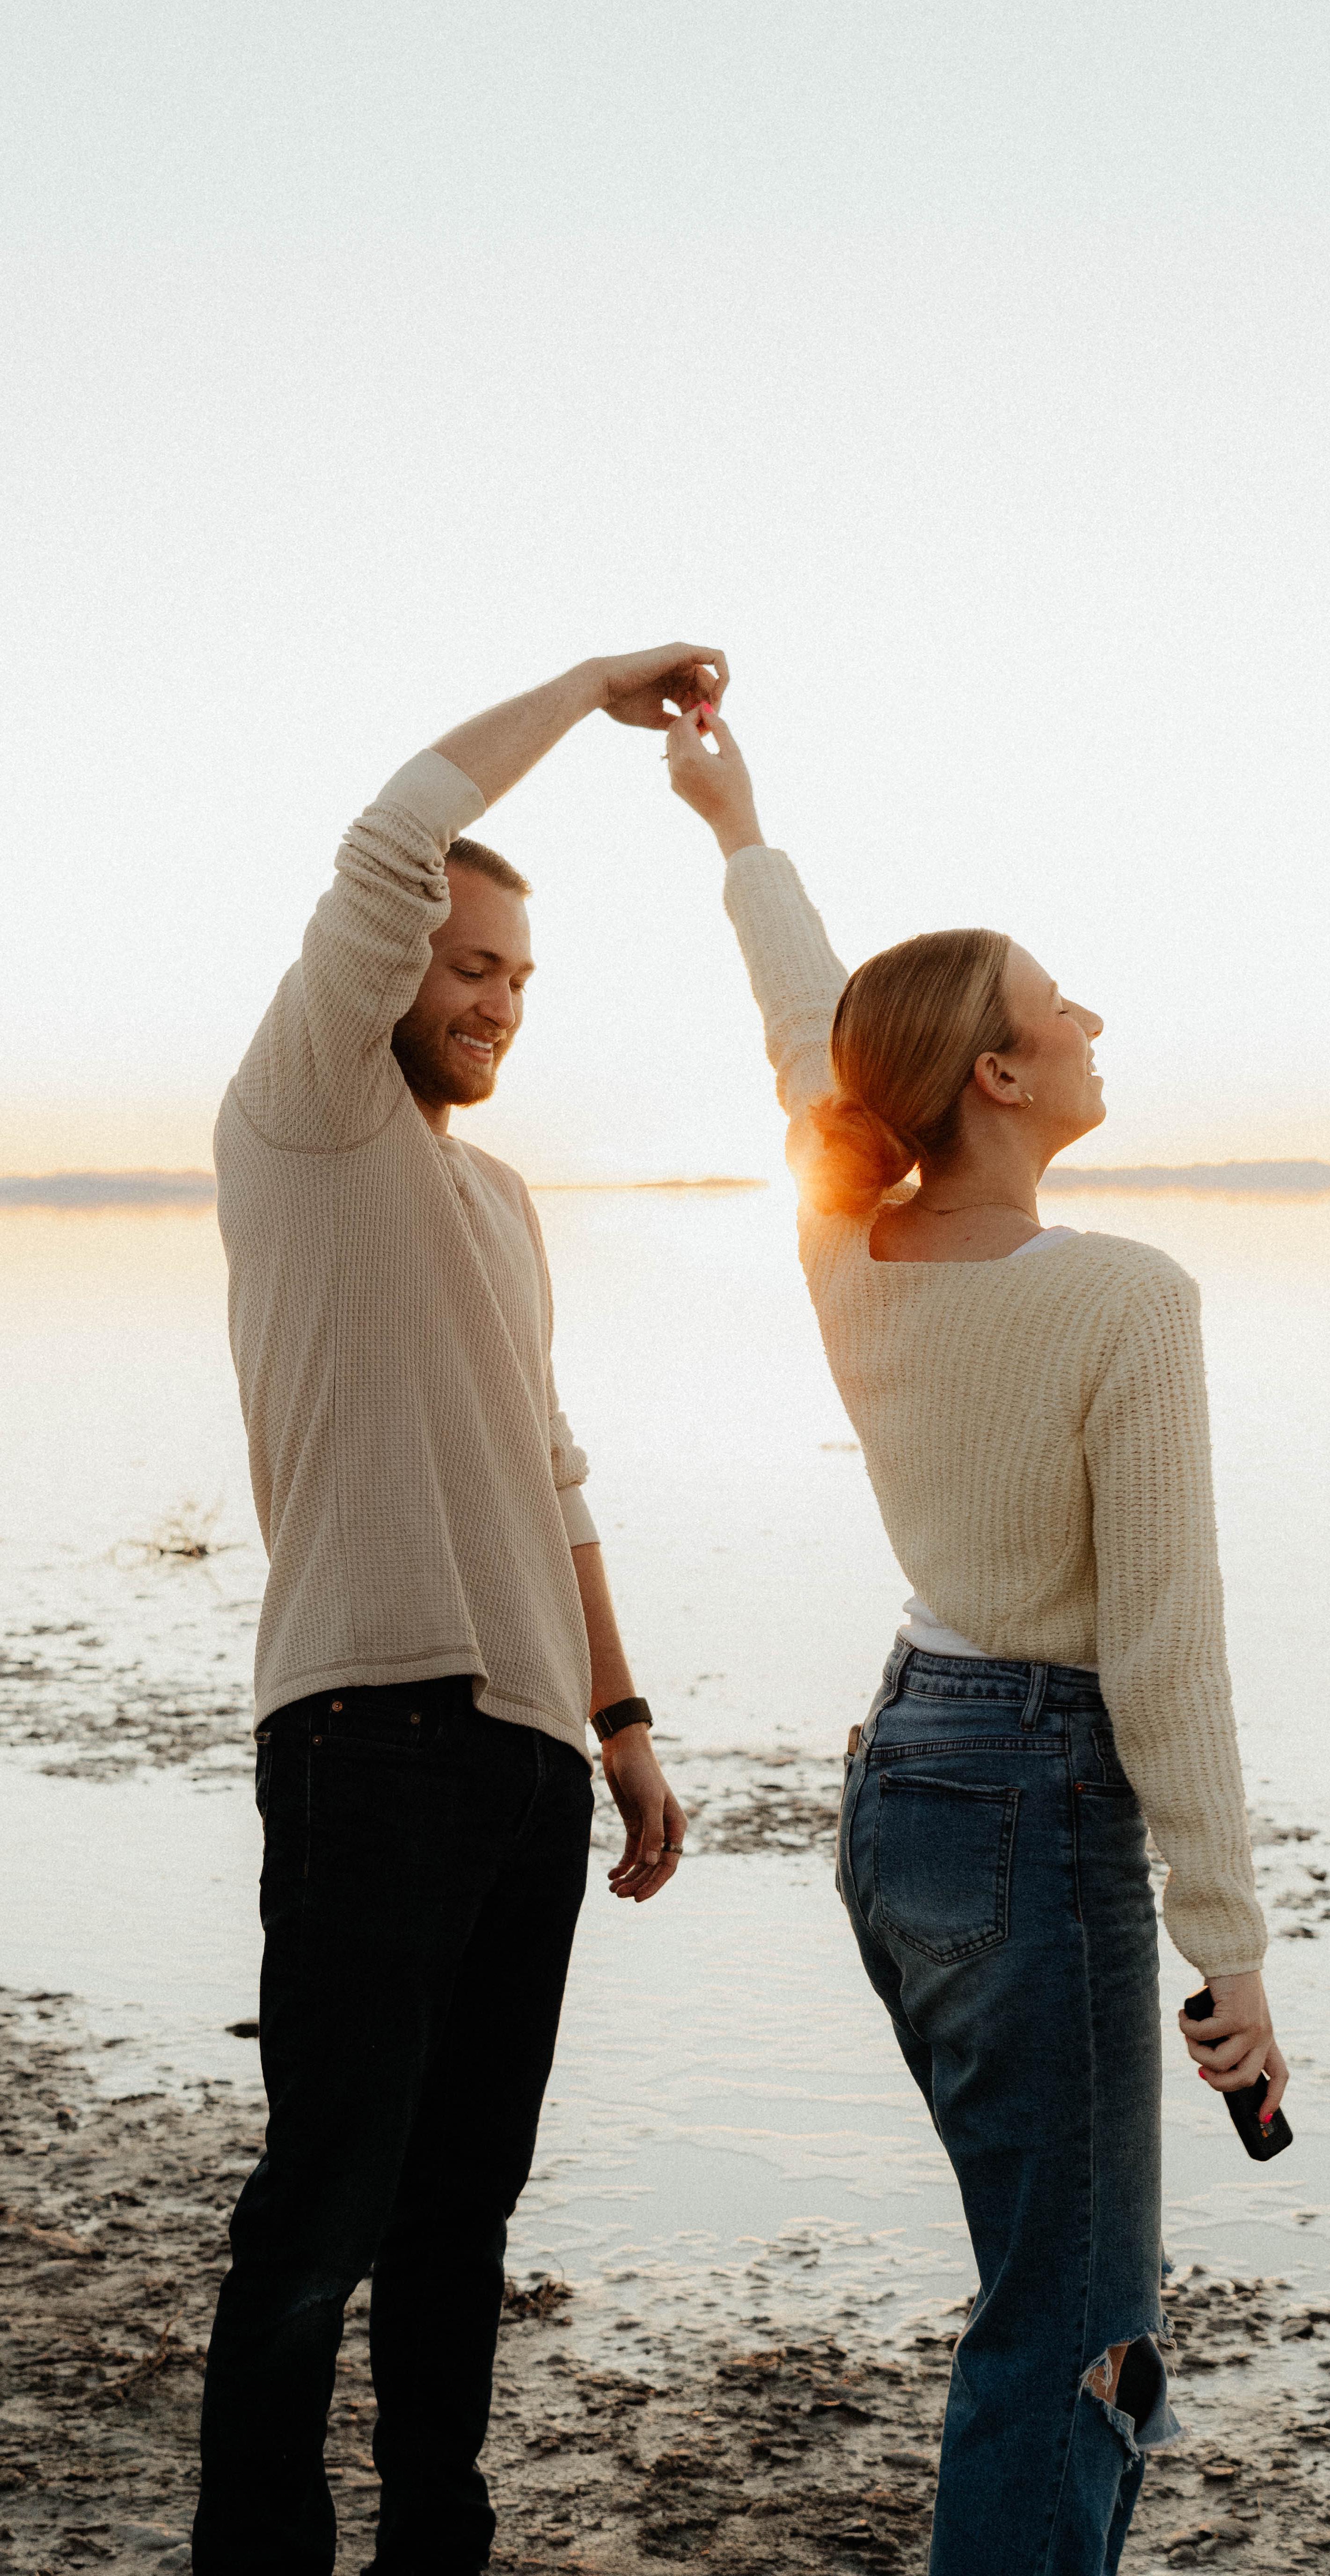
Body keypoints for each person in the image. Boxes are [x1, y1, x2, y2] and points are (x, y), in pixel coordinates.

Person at [665, 704, 1287, 2576]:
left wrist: (738, 829)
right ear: (1001, 1077)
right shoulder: (1122, 1300)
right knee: (1074, 2327)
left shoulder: (847, 1251)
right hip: (1032, 1800)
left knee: (1039, 2280)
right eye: (1052, 1002)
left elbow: (812, 1039)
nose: (1089, 1015)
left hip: (905, 1784)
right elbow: (1165, 1649)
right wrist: (1230, 1948)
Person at [195, 647, 716, 2576]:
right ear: (390, 966)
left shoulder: (498, 1199)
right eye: (466, 963)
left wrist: (621, 1721)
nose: (494, 999)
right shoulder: (302, 1113)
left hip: (523, 1764)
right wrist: (588, 690)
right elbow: (398, 826)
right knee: (321, 2206)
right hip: (365, 1736)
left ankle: (440, 2547)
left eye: (518, 977)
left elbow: (551, 1477)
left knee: (463, 2214)